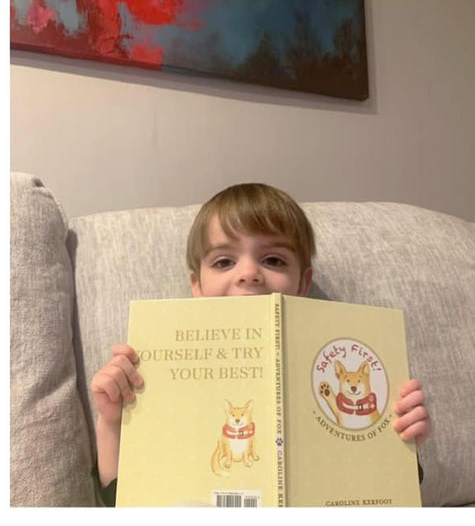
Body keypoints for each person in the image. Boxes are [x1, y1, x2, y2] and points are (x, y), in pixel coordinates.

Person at [90, 183, 431, 503]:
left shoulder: (328, 363)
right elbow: (124, 500)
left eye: (273, 260)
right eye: (224, 262)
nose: (249, 273)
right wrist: (112, 422)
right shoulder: (162, 372)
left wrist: (401, 441)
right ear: (197, 285)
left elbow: (386, 495)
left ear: (303, 283)